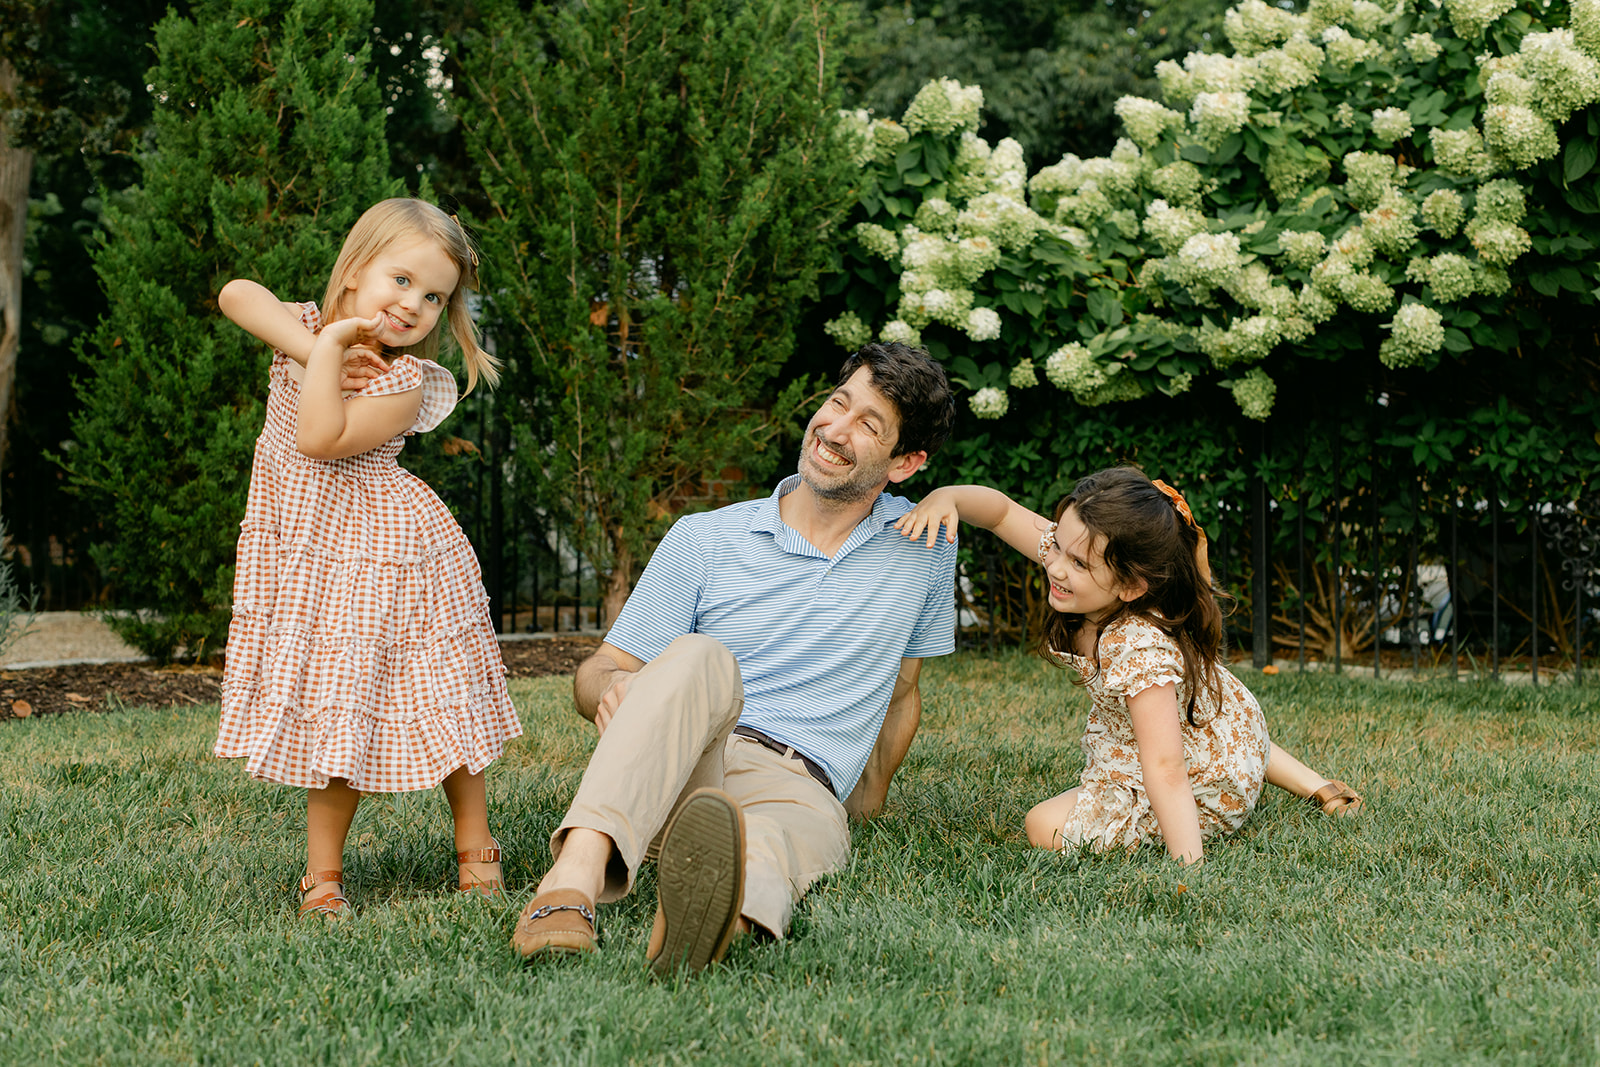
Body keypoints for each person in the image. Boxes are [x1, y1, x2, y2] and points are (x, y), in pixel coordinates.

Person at [510, 342, 958, 972]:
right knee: (700, 656)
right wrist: (613, 686)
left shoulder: (925, 548)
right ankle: (570, 884)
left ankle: (714, 924)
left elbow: (902, 691)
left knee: (766, 847)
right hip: (680, 758)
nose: (834, 431)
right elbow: (599, 671)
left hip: (804, 788)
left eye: (868, 425)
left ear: (906, 463)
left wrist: (868, 802)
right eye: (838, 404)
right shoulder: (705, 537)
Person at [213, 198, 523, 918]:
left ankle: (476, 843)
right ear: (354, 272)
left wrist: (325, 358)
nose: (414, 304)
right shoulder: (313, 332)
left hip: (392, 558)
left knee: (443, 698)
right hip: (321, 560)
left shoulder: (399, 381)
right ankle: (321, 876)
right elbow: (236, 294)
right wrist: (312, 344)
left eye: (434, 296)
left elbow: (319, 436)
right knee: (338, 707)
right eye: (402, 279)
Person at [895, 467, 1362, 865]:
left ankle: (1245, 798)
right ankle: (1316, 786)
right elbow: (1000, 512)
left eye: (1076, 562)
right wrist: (946, 497)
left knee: (1043, 827)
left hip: (1205, 778)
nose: (1055, 566)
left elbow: (1166, 766)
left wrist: (1189, 869)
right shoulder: (1075, 553)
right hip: (1223, 724)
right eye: (1056, 545)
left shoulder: (1136, 646)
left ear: (1132, 586)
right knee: (1211, 734)